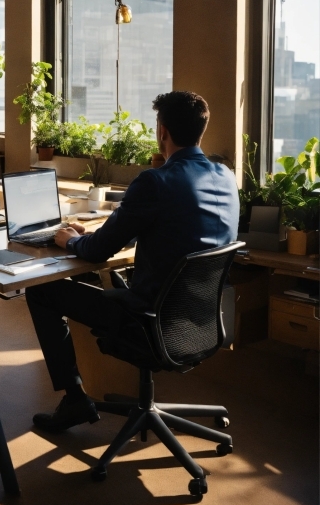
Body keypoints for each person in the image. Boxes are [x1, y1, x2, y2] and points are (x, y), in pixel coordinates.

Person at [26, 90, 239, 433]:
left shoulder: (155, 181)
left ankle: (75, 399)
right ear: (201, 130)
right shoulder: (225, 177)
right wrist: (108, 231)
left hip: (149, 321)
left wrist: (72, 239)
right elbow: (180, 226)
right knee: (96, 283)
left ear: (162, 131)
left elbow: (97, 252)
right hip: (199, 320)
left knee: (42, 291)